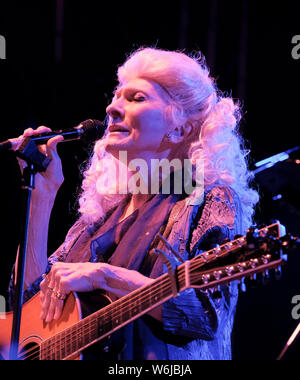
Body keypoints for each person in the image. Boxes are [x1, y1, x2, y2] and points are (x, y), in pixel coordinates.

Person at [9, 47, 259, 360]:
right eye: (115, 96)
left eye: (136, 98)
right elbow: (26, 309)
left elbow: (205, 315)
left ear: (181, 127)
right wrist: (43, 196)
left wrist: (105, 276)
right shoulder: (103, 216)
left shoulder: (208, 199)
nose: (113, 108)